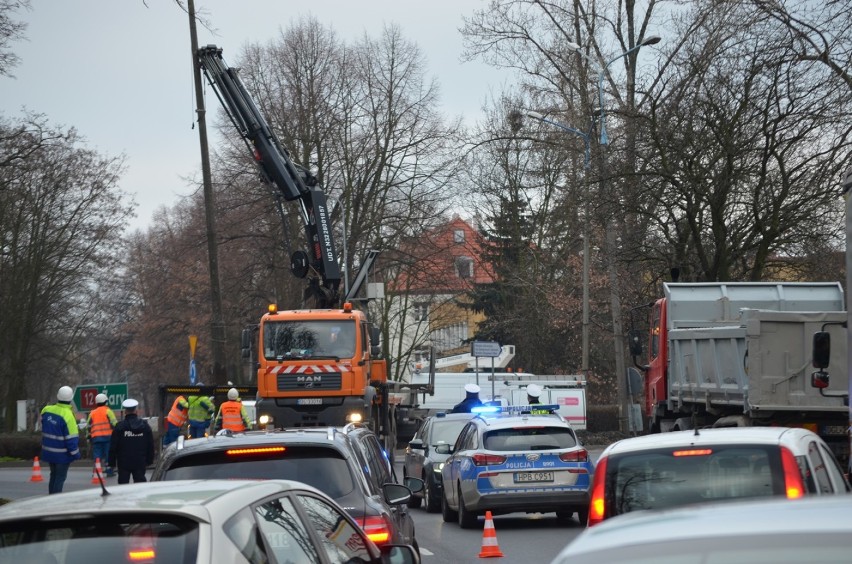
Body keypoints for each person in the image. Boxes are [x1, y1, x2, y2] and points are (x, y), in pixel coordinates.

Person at [40, 385, 82, 494]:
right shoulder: (68, 416)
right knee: (60, 478)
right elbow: (71, 440)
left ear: (58, 396)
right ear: (70, 399)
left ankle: (51, 498)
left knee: (53, 475)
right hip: (62, 455)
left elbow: (43, 422)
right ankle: (55, 501)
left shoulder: (47, 410)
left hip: (48, 452)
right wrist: (76, 454)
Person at [109, 398, 154, 484]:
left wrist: (112, 462)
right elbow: (150, 444)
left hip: (123, 462)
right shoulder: (145, 426)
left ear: (125, 411)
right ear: (136, 411)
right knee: (140, 485)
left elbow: (113, 446)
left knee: (123, 485)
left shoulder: (120, 427)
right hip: (140, 460)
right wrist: (149, 460)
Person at [86, 393, 117, 477]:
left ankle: (97, 472)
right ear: (105, 402)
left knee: (97, 455)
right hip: (108, 437)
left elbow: (88, 426)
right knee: (108, 455)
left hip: (96, 438)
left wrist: (88, 436)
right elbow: (115, 424)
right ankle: (109, 471)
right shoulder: (108, 411)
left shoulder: (92, 413)